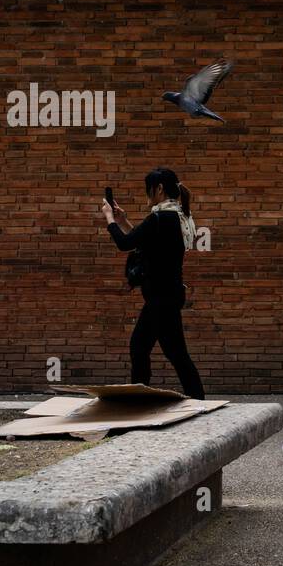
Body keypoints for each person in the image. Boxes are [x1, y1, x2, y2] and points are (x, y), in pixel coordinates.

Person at [101, 167, 206, 400]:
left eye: (148, 189)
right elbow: (143, 243)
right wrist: (123, 220)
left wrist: (109, 219)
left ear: (158, 189)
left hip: (160, 298)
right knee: (170, 353)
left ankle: (139, 402)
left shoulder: (159, 218)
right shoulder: (177, 217)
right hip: (168, 295)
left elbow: (124, 244)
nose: (147, 194)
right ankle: (197, 400)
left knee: (145, 348)